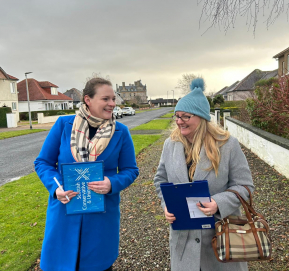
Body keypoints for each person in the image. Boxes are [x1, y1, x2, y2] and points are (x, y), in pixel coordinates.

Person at [34, 77, 139, 271]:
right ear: (88, 100)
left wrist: (112, 183)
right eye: (106, 99)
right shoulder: (63, 125)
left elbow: (131, 170)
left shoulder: (121, 132)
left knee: (97, 265)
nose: (112, 104)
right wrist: (55, 187)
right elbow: (43, 163)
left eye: (113, 99)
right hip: (64, 214)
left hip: (101, 217)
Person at [154, 78, 254, 271]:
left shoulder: (227, 145)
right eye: (177, 116)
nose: (179, 121)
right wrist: (167, 204)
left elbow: (246, 186)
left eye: (185, 116)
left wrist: (218, 203)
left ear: (201, 117)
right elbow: (160, 179)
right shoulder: (171, 145)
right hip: (183, 243)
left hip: (222, 240)